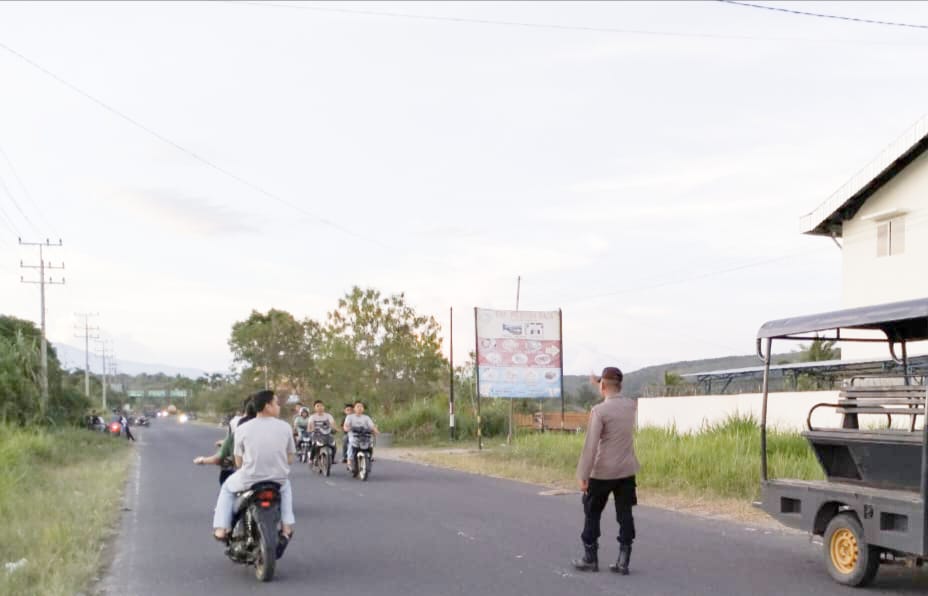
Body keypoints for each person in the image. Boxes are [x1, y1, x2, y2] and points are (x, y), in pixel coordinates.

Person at [573, 367, 639, 576]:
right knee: (625, 514)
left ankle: (590, 558)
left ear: (602, 386)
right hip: (626, 471)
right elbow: (613, 397)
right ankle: (623, 561)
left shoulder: (599, 411)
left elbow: (591, 446)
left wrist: (583, 475)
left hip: (602, 473)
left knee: (592, 513)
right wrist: (601, 383)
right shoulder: (631, 406)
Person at [212, 391, 295, 548]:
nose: (279, 407)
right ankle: (286, 527)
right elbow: (290, 458)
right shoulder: (285, 427)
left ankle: (222, 529)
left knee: (227, 489)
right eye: (276, 403)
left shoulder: (242, 429)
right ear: (267, 406)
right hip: (278, 479)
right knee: (286, 489)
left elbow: (238, 462)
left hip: (249, 478)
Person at [195, 399, 257, 485]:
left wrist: (202, 460)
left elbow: (220, 459)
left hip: (245, 477)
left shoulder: (238, 427)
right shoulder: (275, 430)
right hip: (274, 479)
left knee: (226, 488)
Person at [343, 401, 379, 470]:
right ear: (354, 409)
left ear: (363, 409)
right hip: (354, 435)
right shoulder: (349, 417)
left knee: (370, 443)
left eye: (361, 406)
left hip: (365, 435)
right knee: (351, 444)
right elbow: (346, 426)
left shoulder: (366, 417)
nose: (360, 408)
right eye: (358, 406)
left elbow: (372, 426)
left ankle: (369, 457)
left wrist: (375, 430)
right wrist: (346, 428)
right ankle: (349, 461)